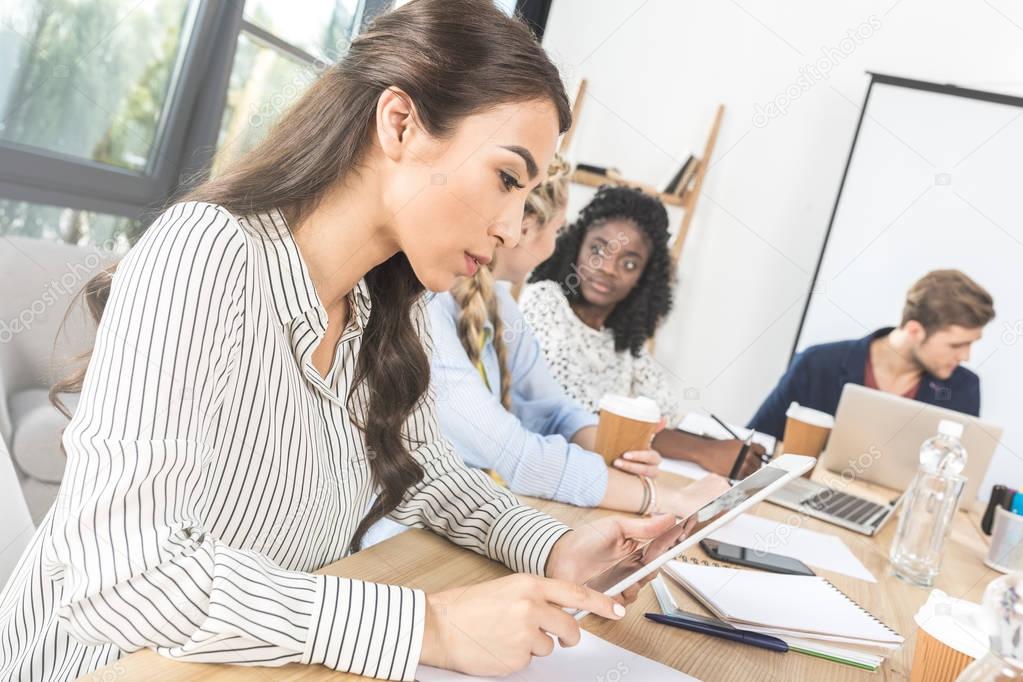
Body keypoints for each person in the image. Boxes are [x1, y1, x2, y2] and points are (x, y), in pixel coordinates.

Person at [0, 3, 678, 680]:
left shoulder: (386, 301)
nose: (509, 226)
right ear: (400, 124)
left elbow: (427, 476)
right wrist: (429, 624)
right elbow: (121, 578)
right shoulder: (209, 251)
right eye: (506, 178)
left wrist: (554, 547)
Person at [430, 158, 728, 516]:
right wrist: (670, 499)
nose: (557, 246)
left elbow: (555, 411)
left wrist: (614, 453)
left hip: (471, 513)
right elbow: (518, 457)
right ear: (523, 230)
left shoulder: (499, 302)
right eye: (557, 231)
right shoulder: (431, 307)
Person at [519, 185, 760, 477]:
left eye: (629, 263)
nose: (608, 268)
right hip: (543, 470)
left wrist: (724, 446)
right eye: (597, 249)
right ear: (576, 245)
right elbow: (584, 415)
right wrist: (703, 451)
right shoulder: (544, 300)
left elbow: (666, 412)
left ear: (643, 279)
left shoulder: (620, 339)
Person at [748, 269, 995, 439]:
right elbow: (756, 443)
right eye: (955, 345)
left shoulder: (964, 389)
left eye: (971, 344)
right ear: (914, 330)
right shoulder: (818, 364)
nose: (965, 356)